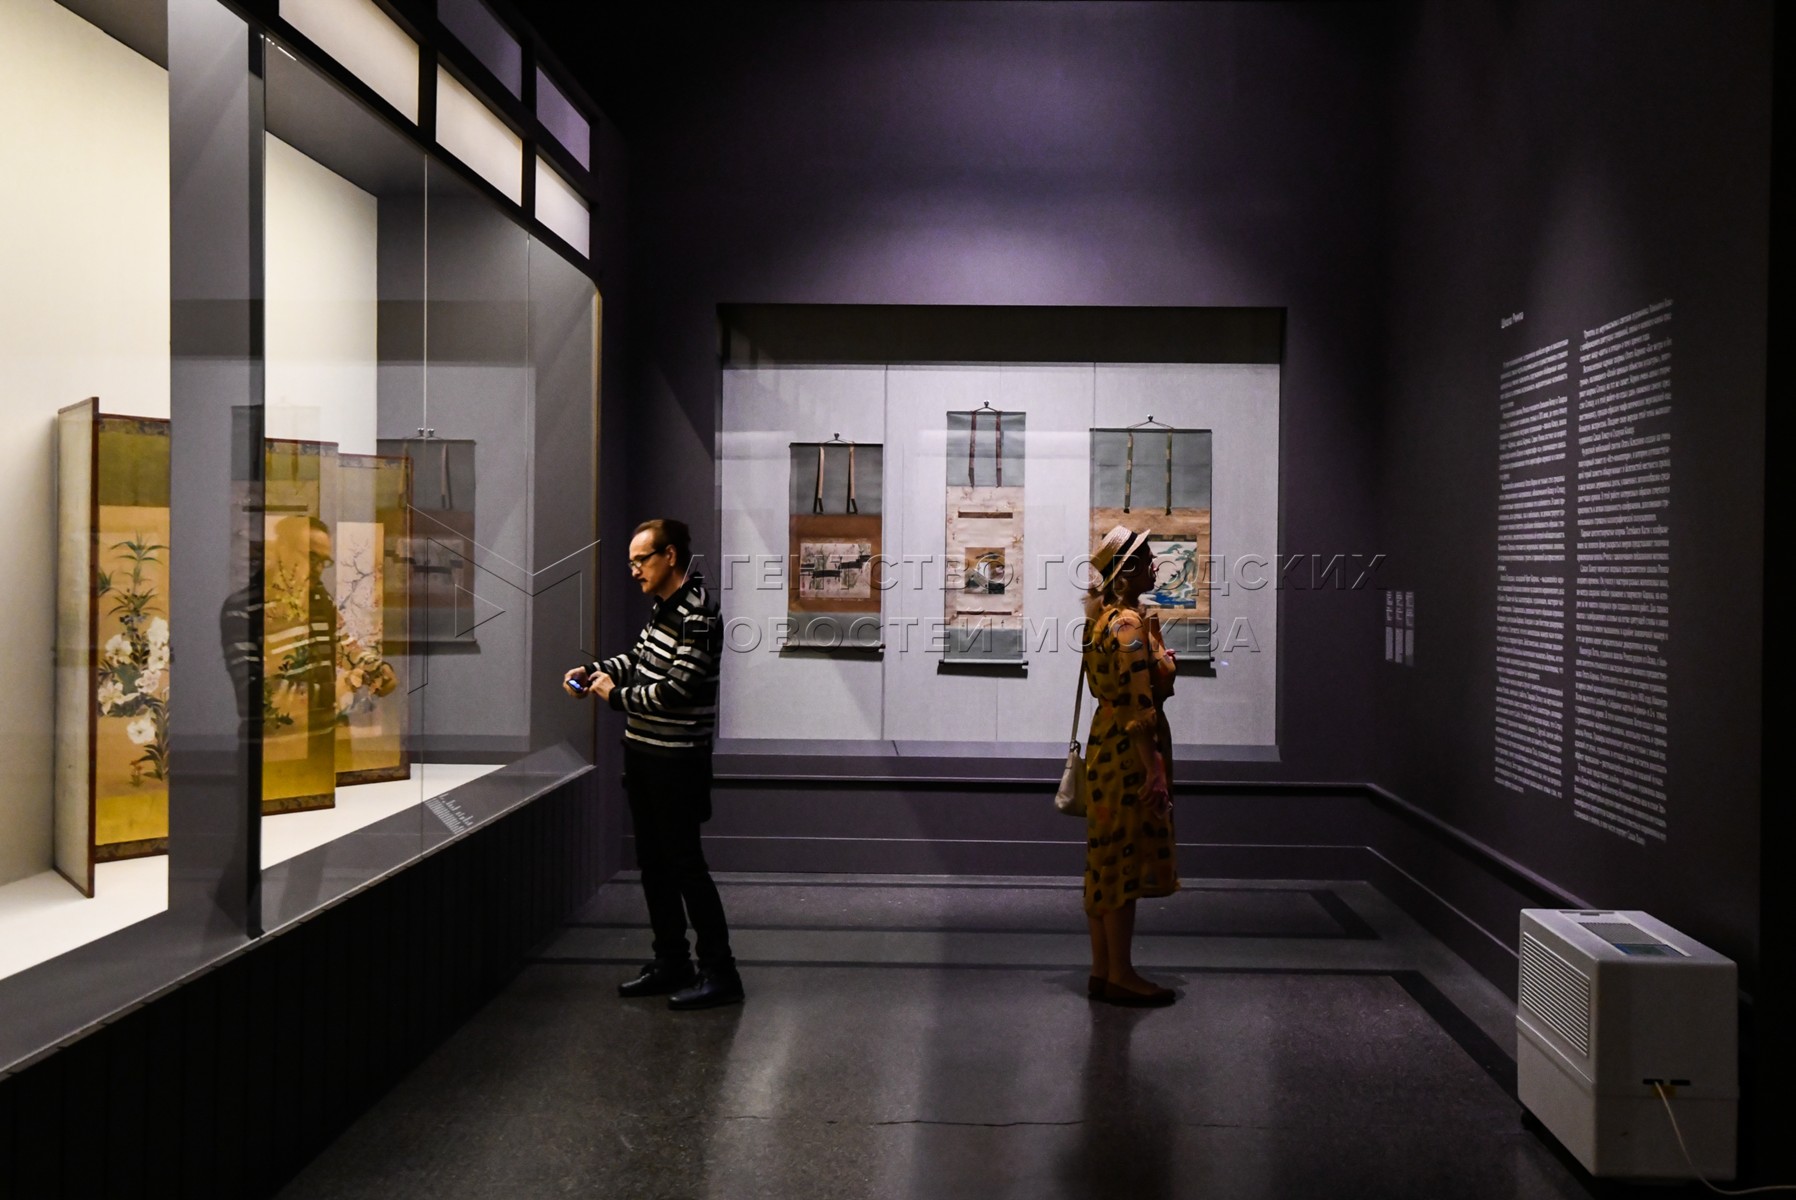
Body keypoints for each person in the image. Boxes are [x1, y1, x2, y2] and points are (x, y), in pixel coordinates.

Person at [564, 518, 743, 1010]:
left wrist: (615, 697)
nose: (634, 570)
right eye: (631, 563)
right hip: (644, 754)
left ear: (670, 556)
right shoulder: (664, 607)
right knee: (654, 865)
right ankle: (672, 961)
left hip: (677, 762)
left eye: (640, 560)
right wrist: (595, 671)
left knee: (686, 867)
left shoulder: (698, 614)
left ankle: (721, 972)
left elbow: (678, 690)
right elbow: (640, 660)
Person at [1080, 524, 1180, 1007]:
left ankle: (1103, 970)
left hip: (1104, 743)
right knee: (1124, 859)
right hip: (1128, 753)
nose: (1156, 566)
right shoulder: (1128, 624)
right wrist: (1154, 770)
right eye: (1147, 559)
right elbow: (1140, 704)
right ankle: (1121, 974)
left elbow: (1123, 684)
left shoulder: (1102, 619)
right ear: (1128, 571)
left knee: (1104, 857)